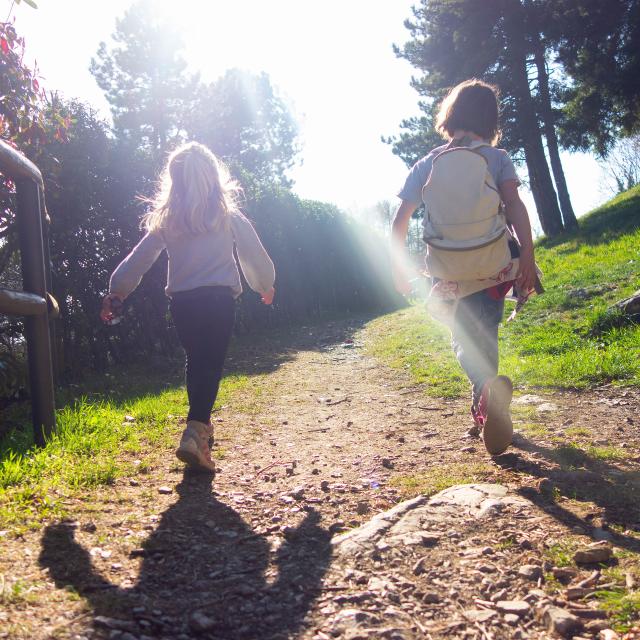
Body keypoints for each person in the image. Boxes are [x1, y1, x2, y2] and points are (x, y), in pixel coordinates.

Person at [101, 142, 275, 472]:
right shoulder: (227, 216)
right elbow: (254, 253)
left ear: (175, 182)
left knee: (198, 362)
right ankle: (195, 432)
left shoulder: (169, 220)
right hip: (219, 302)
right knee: (209, 365)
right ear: (213, 176)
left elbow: (139, 259)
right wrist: (264, 284)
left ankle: (198, 436)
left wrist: (117, 292)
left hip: (183, 305)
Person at [391, 79, 538, 456]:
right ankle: (487, 400)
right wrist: (529, 257)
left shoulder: (427, 162)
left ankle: (484, 399)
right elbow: (515, 206)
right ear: (490, 119)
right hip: (494, 265)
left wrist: (398, 267)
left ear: (450, 115)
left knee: (463, 336)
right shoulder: (496, 157)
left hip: (449, 270)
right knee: (485, 331)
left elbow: (400, 218)